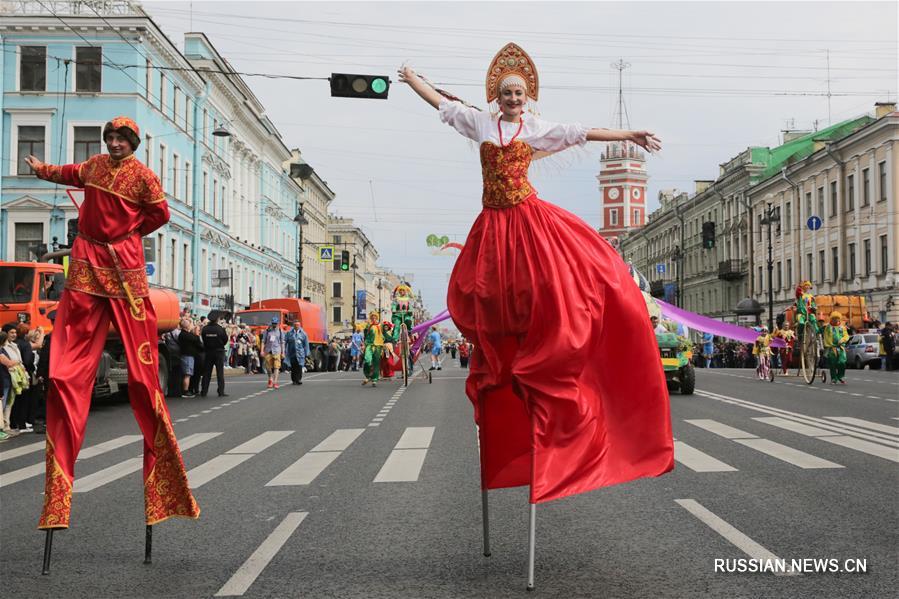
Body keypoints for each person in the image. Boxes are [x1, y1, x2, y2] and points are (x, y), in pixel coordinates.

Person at [398, 44, 672, 506]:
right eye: (506, 92)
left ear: (529, 98)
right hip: (492, 223)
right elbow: (442, 106)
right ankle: (504, 349)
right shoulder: (480, 123)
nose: (513, 98)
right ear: (496, 97)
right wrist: (411, 78)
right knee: (478, 290)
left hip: (526, 218)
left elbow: (584, 132)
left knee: (559, 279)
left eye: (519, 93)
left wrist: (630, 133)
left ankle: (549, 343)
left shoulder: (538, 129)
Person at [24, 116, 200, 529]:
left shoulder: (145, 177)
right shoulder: (93, 167)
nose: (116, 143)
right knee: (67, 372)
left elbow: (159, 216)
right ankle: (57, 500)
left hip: (125, 263)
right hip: (87, 259)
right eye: (111, 138)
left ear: (133, 143)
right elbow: (66, 172)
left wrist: (130, 232)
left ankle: (163, 490)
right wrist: (41, 170)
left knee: (142, 377)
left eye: (122, 139)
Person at [362, 311, 392, 387]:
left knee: (376, 363)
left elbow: (385, 334)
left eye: (375, 317)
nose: (373, 318)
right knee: (367, 360)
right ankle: (368, 376)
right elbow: (365, 336)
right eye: (372, 317)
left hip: (378, 346)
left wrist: (393, 339)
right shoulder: (369, 326)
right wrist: (363, 344)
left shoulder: (380, 326)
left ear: (377, 317)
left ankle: (374, 379)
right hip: (369, 345)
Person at [201, 314, 228, 397]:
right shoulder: (220, 329)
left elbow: (203, 339)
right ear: (217, 319)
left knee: (207, 372)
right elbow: (225, 340)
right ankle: (221, 391)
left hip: (208, 351)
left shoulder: (205, 329)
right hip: (219, 352)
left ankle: (204, 391)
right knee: (220, 372)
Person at [177, 319, 202, 398]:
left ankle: (185, 390)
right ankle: (185, 391)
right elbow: (196, 338)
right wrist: (193, 330)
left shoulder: (184, 334)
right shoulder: (185, 335)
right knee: (187, 374)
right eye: (190, 324)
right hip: (187, 356)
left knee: (187, 374)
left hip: (187, 355)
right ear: (187, 325)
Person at [823, 311, 849, 384]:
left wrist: (842, 340)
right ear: (831, 319)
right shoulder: (828, 327)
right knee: (833, 364)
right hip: (832, 348)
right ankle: (834, 378)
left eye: (837, 318)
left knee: (842, 362)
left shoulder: (842, 327)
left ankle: (840, 376)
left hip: (841, 348)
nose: (836, 320)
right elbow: (824, 335)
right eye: (834, 318)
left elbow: (846, 336)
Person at [262, 318, 286, 389]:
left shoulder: (280, 331)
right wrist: (262, 351)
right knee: (268, 367)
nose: (274, 325)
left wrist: (283, 352)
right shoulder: (267, 331)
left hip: (277, 350)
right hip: (268, 350)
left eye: (275, 323)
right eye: (273, 323)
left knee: (276, 367)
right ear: (271, 323)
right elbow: (263, 341)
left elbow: (282, 342)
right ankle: (270, 378)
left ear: (277, 323)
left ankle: (275, 382)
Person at [285, 321, 310, 385]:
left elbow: (306, 344)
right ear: (293, 325)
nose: (296, 326)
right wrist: (283, 351)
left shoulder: (303, 334)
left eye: (298, 325)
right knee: (293, 366)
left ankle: (299, 379)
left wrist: (307, 353)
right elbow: (285, 342)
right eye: (295, 325)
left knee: (299, 366)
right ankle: (294, 380)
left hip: (300, 353)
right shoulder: (289, 333)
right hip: (292, 352)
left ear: (300, 325)